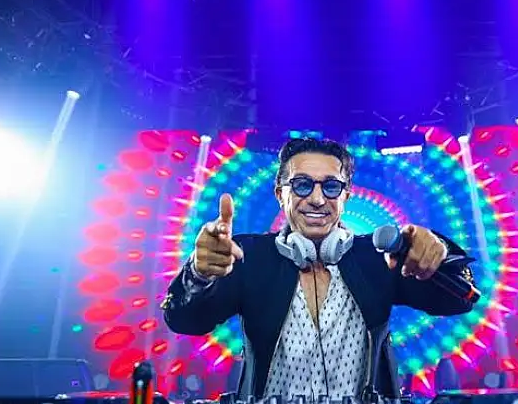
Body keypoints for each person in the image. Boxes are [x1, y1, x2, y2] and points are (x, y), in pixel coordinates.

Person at [162, 138, 476, 400]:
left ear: (345, 196)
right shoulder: (248, 256)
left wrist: (440, 251)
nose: (316, 199)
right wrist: (199, 273)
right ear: (280, 194)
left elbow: (459, 301)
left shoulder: (380, 257)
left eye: (331, 187)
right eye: (301, 185)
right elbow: (184, 320)